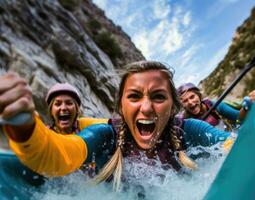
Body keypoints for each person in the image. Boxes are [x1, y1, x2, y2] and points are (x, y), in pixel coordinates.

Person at [1, 61, 233, 191]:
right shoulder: (105, 134)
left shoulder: (189, 129)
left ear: (173, 105)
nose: (146, 108)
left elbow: (232, 146)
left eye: (159, 97)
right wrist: (23, 125)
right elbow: (57, 156)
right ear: (121, 106)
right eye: (134, 96)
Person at [177, 82, 255, 129]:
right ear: (182, 105)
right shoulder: (183, 121)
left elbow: (238, 118)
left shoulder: (213, 105)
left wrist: (245, 107)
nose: (190, 102)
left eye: (192, 97)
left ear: (199, 95)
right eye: (185, 101)